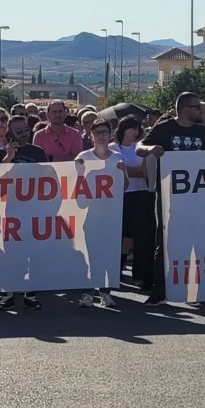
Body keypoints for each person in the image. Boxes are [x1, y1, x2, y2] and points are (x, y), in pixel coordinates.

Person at [137, 91, 205, 306]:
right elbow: (140, 147)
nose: (201, 112)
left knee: (201, 240)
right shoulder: (164, 129)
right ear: (185, 109)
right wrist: (150, 149)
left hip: (198, 197)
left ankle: (201, 290)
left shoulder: (202, 131)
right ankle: (160, 290)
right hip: (168, 197)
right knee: (164, 242)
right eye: (197, 108)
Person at [0, 115, 46, 310]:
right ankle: (9, 293)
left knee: (33, 254)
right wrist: (8, 158)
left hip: (32, 211)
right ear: (9, 134)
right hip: (9, 213)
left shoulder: (38, 153)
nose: (24, 135)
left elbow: (48, 181)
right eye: (19, 132)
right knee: (10, 254)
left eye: (26, 131)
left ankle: (31, 292)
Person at [75, 119, 128, 308]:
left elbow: (124, 187)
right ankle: (87, 293)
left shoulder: (117, 158)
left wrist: (124, 173)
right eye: (97, 132)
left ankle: (106, 293)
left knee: (108, 256)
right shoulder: (83, 157)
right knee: (90, 255)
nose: (101, 136)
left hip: (111, 216)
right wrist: (78, 171)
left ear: (110, 134)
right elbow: (76, 188)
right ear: (91, 135)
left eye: (105, 132)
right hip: (90, 215)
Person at [110, 116, 155, 289]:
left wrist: (126, 171)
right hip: (120, 196)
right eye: (132, 128)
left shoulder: (141, 147)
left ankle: (140, 275)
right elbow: (113, 171)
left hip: (140, 193)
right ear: (123, 130)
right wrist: (130, 171)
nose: (135, 132)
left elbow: (144, 172)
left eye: (137, 129)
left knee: (140, 235)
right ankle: (118, 268)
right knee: (123, 235)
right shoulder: (113, 148)